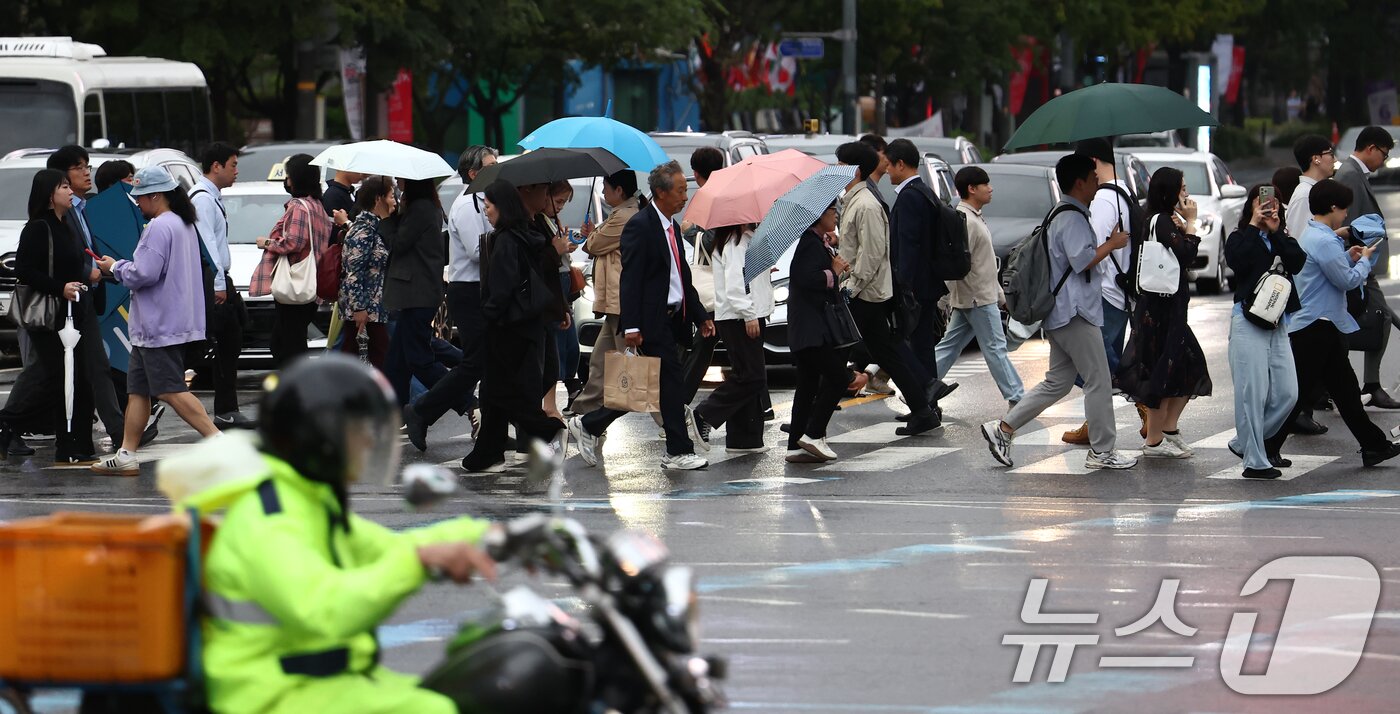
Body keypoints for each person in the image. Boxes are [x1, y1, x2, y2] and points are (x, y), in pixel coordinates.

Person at [163, 353, 499, 714]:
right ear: (319, 437)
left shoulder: (307, 500)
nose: (368, 444)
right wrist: (415, 562)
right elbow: (324, 609)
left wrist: (492, 536)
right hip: (270, 695)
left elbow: (389, 545)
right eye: (357, 432)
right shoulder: (269, 520)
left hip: (317, 682)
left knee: (462, 693)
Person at [981, 154, 1136, 471]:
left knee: (1057, 382)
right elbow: (1083, 261)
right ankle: (1102, 450)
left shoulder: (1065, 213)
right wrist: (1113, 243)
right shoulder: (1072, 218)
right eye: (1093, 177)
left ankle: (1003, 429)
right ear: (1079, 182)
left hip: (1062, 312)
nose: (1098, 182)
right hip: (1074, 312)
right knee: (1099, 379)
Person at [568, 161, 714, 471]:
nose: (685, 197)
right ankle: (677, 451)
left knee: (647, 387)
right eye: (680, 190)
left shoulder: (672, 226)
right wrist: (632, 325)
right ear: (660, 192)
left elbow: (680, 277)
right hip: (650, 321)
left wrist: (700, 315)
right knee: (670, 383)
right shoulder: (640, 225)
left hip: (673, 318)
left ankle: (590, 425)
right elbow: (630, 279)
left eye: (686, 190)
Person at [1264, 179, 1400, 467]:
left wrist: (1349, 258)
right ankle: (1265, 446)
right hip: (1316, 326)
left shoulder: (1317, 236)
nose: (1347, 215)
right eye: (1344, 209)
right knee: (1300, 393)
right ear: (1333, 207)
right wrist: (1364, 259)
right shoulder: (1324, 241)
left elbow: (1332, 272)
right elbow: (1346, 281)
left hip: (1322, 325)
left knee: (1346, 393)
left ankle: (1374, 446)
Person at [93, 166, 219, 476]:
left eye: (140, 197)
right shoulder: (182, 223)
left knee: (170, 390)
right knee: (139, 391)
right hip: (166, 322)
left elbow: (143, 273)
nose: (137, 203)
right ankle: (126, 452)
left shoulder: (159, 227)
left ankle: (221, 444)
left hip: (157, 325)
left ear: (156, 196)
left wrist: (114, 266)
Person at [461, 180, 568, 473]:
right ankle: (489, 450)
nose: (485, 210)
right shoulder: (526, 236)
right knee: (498, 394)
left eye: (489, 204)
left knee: (503, 394)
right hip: (524, 326)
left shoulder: (507, 241)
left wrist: (487, 315)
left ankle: (549, 428)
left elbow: (502, 289)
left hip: (506, 327)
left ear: (502, 206)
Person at [834, 141, 940, 435]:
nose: (836, 170)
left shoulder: (866, 203)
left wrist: (852, 288)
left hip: (866, 293)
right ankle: (923, 408)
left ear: (854, 170)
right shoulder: (855, 200)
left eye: (841, 165)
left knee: (840, 349)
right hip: (865, 290)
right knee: (886, 352)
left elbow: (871, 253)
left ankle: (811, 419)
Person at [402, 146, 499, 450]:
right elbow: (477, 251)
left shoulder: (485, 201)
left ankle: (490, 429)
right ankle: (422, 409)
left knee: (488, 364)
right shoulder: (468, 205)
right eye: (491, 166)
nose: (497, 171)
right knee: (476, 364)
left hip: (482, 290)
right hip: (468, 291)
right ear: (474, 173)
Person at [0, 170, 97, 463]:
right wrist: (60, 287)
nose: (70, 191)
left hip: (71, 314)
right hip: (48, 315)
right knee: (57, 377)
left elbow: (69, 265)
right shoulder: (38, 227)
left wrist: (86, 278)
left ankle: (70, 445)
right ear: (49, 194)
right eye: (63, 186)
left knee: (77, 379)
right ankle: (8, 421)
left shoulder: (64, 224)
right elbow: (24, 270)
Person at [1116, 167, 1212, 458]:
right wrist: (1192, 225)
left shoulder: (1164, 220)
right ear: (1169, 191)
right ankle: (1154, 441)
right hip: (1160, 312)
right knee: (1164, 372)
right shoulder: (1160, 220)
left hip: (1168, 307)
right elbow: (1185, 255)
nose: (1186, 194)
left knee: (1189, 366)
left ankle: (1168, 429)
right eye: (1182, 188)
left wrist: (1184, 225)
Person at [1062, 138, 1147, 444]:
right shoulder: (1125, 192)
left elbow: (1090, 248)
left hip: (1104, 292)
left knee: (1090, 367)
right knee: (1091, 367)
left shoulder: (1103, 200)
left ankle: (1142, 400)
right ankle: (1095, 424)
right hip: (1121, 292)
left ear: (1094, 162)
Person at [45, 146, 127, 449]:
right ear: (60, 177)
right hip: (65, 301)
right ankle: (10, 423)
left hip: (85, 299)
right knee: (46, 373)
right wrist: (86, 271)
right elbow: (55, 257)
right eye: (78, 168)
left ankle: (117, 433)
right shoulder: (58, 214)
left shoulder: (82, 209)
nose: (86, 172)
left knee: (96, 368)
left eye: (87, 166)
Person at [1224, 186, 1306, 479]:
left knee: (1288, 393)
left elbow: (1297, 262)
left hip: (1277, 322)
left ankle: (1243, 441)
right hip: (1247, 321)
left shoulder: (1281, 238)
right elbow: (1238, 262)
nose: (1269, 209)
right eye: (1262, 204)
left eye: (1274, 205)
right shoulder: (1238, 237)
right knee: (1252, 394)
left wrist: (1275, 232)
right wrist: (1252, 226)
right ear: (1250, 207)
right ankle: (1255, 461)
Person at [933, 167, 1024, 408]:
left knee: (948, 347)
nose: (990, 188)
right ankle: (1017, 397)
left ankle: (921, 387)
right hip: (977, 298)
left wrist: (1000, 296)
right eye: (985, 184)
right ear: (972, 189)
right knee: (996, 348)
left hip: (975, 296)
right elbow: (957, 265)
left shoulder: (972, 217)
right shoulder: (965, 221)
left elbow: (985, 264)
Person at [886, 137, 957, 405]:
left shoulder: (909, 197)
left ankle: (925, 400)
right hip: (927, 283)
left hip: (915, 287)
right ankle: (929, 403)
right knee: (923, 344)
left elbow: (909, 245)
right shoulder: (925, 191)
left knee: (908, 343)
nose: (889, 172)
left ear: (901, 164)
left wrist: (903, 286)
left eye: (890, 166)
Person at [691, 223, 772, 453]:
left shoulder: (745, 239)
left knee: (745, 374)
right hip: (739, 317)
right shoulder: (735, 242)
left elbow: (746, 278)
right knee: (752, 376)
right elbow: (736, 286)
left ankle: (743, 438)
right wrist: (749, 314)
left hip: (746, 314)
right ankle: (703, 414)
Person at [568, 170, 643, 416]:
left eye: (606, 188)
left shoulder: (625, 216)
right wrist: (594, 233)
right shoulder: (620, 214)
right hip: (614, 303)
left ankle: (670, 417)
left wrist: (592, 234)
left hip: (622, 301)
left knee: (632, 365)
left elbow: (594, 245)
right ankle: (584, 409)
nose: (602, 193)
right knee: (600, 361)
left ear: (619, 191)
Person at [190, 142, 253, 429]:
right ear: (216, 166)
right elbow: (207, 244)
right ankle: (225, 409)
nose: (236, 171)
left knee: (231, 340)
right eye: (233, 165)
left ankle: (228, 409)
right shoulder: (202, 198)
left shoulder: (211, 196)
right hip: (212, 280)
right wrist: (218, 284)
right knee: (222, 343)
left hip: (218, 279)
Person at [1336, 126, 1400, 409]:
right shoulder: (1350, 175)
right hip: (1356, 263)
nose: (1384, 162)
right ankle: (1367, 385)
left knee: (1381, 316)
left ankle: (1362, 385)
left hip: (1361, 263)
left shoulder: (1355, 173)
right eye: (1383, 155)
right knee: (1380, 317)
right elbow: (1344, 222)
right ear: (1371, 148)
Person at [785, 204, 853, 463]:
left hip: (807, 328)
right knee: (837, 378)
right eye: (832, 211)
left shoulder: (817, 242)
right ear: (819, 215)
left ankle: (796, 445)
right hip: (812, 329)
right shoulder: (809, 244)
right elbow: (808, 279)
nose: (835, 215)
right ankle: (813, 434)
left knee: (807, 385)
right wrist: (833, 272)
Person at [250, 155, 332, 368]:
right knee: (289, 341)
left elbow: (294, 242)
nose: (286, 181)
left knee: (287, 346)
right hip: (311, 285)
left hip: (295, 286)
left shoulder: (299, 206)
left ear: (297, 178)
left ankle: (296, 393)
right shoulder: (317, 206)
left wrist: (266, 242)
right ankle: (298, 391)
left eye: (289, 175)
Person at [1283, 135, 1339, 433]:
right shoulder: (1306, 196)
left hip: (1317, 291)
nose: (1333, 159)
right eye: (1330, 153)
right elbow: (1304, 244)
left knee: (1328, 358)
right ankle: (1294, 413)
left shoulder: (1313, 191)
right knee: (1310, 355)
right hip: (1310, 289)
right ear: (1316, 158)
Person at [382, 178, 448, 405]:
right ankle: (395, 410)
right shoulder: (421, 206)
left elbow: (399, 243)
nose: (398, 182)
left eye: (401, 179)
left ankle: (467, 402)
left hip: (418, 293)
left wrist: (384, 218)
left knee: (418, 358)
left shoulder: (421, 208)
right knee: (396, 360)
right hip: (416, 293)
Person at [677, 147, 726, 406]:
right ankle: (762, 405)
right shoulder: (729, 192)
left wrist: (689, 232)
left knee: (705, 344)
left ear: (696, 173)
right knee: (741, 355)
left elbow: (710, 241)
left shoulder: (710, 197)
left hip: (720, 285)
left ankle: (681, 402)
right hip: (728, 285)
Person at [337, 175, 395, 368]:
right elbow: (353, 273)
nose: (394, 200)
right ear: (378, 199)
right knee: (369, 358)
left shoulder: (376, 227)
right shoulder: (363, 230)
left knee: (367, 357)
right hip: (365, 310)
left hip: (376, 308)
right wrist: (359, 308)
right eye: (391, 196)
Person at [544, 180, 582, 413]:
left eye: (564, 203)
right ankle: (560, 392)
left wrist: (566, 246)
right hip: (556, 282)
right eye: (558, 201)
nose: (560, 207)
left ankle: (571, 383)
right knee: (559, 337)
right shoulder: (539, 221)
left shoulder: (552, 220)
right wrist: (559, 249)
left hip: (563, 281)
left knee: (569, 340)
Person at [858, 133, 891, 215]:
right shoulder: (865, 191)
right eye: (885, 153)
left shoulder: (870, 187)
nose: (889, 159)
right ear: (872, 154)